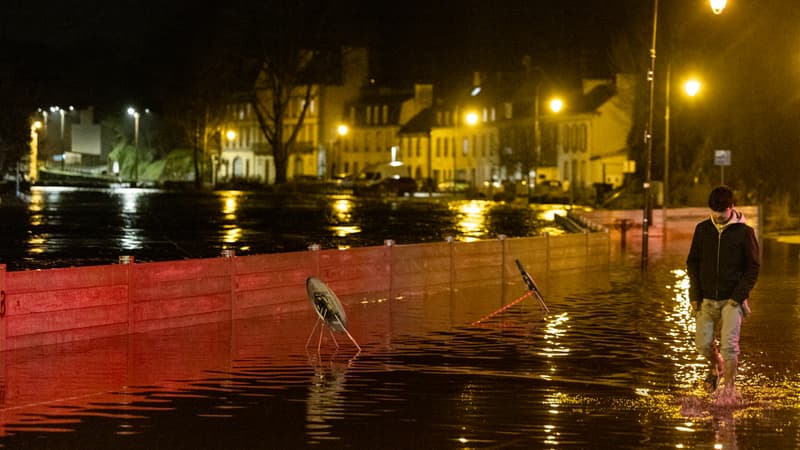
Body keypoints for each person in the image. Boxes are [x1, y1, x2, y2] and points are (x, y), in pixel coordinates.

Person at [687, 185, 760, 393]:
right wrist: (694, 295)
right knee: (702, 344)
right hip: (706, 299)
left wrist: (738, 296)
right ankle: (717, 365)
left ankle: (728, 391)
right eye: (714, 211)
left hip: (732, 300)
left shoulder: (745, 233)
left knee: (729, 347)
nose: (718, 215)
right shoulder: (702, 229)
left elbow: (753, 267)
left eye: (723, 211)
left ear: (732, 207)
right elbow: (693, 262)